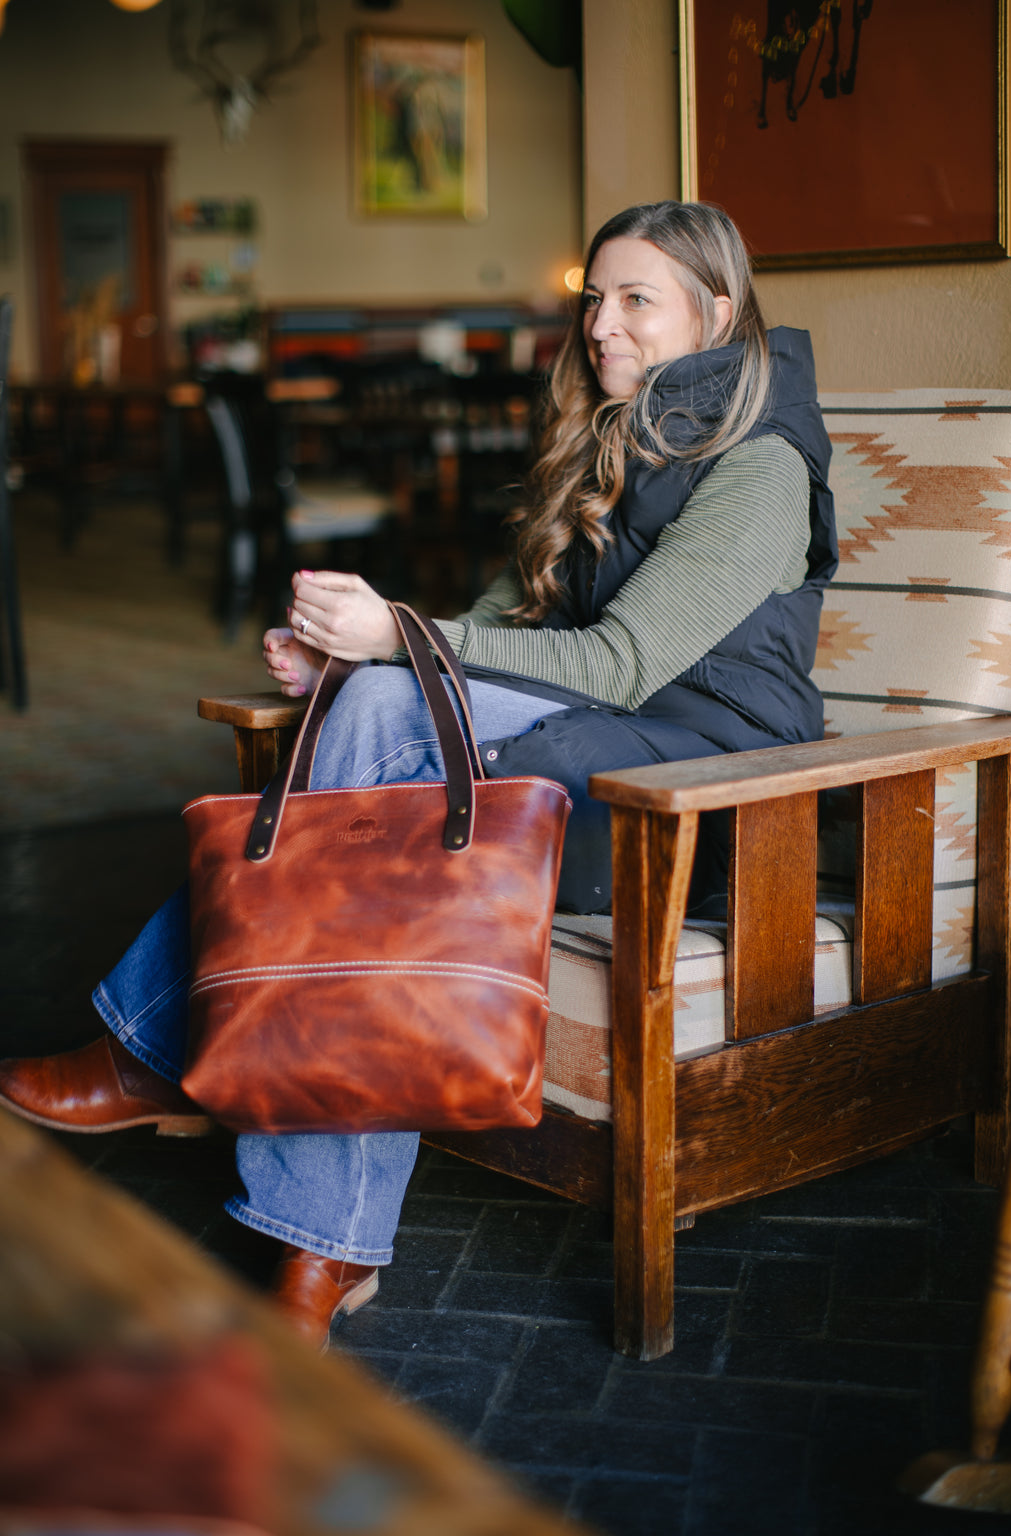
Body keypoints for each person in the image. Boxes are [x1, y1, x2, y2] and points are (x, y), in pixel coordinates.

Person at [0, 201, 836, 1350]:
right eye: (594, 297)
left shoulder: (761, 462)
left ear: (718, 311)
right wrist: (353, 655)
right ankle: (316, 1230)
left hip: (711, 777)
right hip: (600, 729)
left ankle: (176, 1074)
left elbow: (627, 661)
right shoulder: (614, 427)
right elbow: (504, 620)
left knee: (389, 703)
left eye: (636, 298)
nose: (601, 324)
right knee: (373, 698)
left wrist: (396, 636)